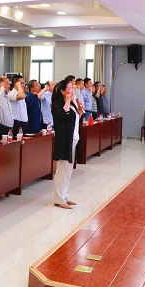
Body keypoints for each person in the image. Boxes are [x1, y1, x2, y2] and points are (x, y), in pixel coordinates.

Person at [51, 80, 80, 209]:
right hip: (64, 139)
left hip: (73, 137)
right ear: (62, 91)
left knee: (68, 170)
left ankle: (65, 195)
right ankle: (59, 198)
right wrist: (68, 101)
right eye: (69, 89)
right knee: (62, 169)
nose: (71, 91)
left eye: (72, 89)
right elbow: (63, 116)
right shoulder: (57, 104)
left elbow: (75, 119)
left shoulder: (72, 103)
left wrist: (77, 106)